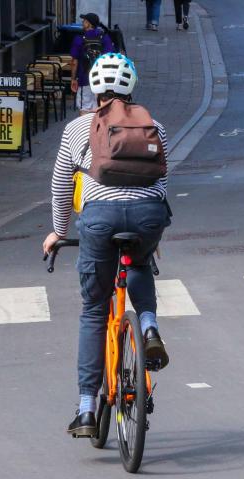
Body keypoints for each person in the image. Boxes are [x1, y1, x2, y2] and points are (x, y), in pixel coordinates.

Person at [45, 53, 172, 438]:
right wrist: (153, 231)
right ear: (131, 87)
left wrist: (57, 230)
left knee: (94, 311)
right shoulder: (154, 126)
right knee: (138, 262)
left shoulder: (77, 130)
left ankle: (85, 409)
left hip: (100, 219)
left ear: (94, 88)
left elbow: (62, 185)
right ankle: (148, 325)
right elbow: (162, 182)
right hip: (148, 215)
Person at [70, 13, 115, 114]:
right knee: (101, 108)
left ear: (89, 24)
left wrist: (73, 79)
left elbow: (74, 62)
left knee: (84, 109)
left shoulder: (79, 39)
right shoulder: (104, 37)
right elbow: (110, 57)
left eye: (84, 21)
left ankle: (85, 129)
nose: (82, 22)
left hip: (84, 80)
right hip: (102, 80)